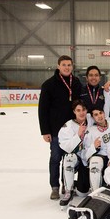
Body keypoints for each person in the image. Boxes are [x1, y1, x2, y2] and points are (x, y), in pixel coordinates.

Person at [38, 55, 82, 200]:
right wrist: (45, 131)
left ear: (72, 66)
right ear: (58, 66)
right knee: (56, 158)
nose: (67, 67)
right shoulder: (49, 84)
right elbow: (42, 109)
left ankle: (67, 184)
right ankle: (55, 187)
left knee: (69, 158)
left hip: (72, 129)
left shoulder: (76, 82)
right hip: (56, 129)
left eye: (69, 65)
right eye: (64, 65)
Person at [58, 100, 92, 208]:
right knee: (69, 157)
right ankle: (68, 190)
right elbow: (67, 147)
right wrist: (78, 135)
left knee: (83, 192)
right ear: (74, 111)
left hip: (88, 158)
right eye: (78, 110)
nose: (81, 113)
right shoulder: (67, 126)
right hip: (76, 158)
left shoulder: (92, 120)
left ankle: (80, 185)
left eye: (83, 110)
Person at [83, 107, 110, 191]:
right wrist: (93, 147)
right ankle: (95, 193)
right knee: (95, 161)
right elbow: (84, 155)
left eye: (101, 113)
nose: (99, 116)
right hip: (100, 158)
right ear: (93, 117)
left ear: (104, 113)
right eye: (96, 115)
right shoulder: (91, 131)